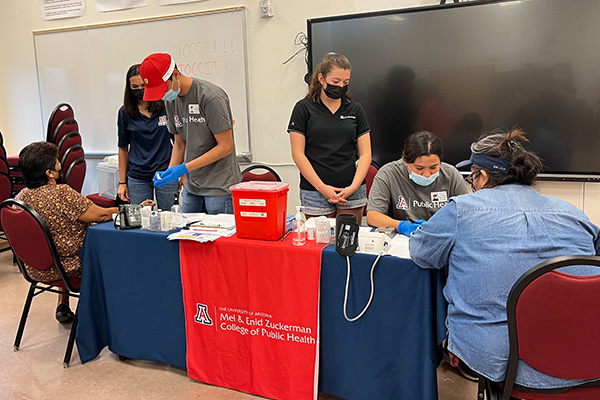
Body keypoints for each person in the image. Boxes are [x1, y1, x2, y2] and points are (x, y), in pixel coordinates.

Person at [409, 128, 600, 389]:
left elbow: (421, 252)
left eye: (471, 178)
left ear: (483, 177)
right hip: (585, 358)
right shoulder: (573, 213)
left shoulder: (462, 210)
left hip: (503, 363)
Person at [16, 142, 119, 323]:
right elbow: (101, 215)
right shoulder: (62, 194)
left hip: (35, 268)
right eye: (56, 161)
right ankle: (109, 317)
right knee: (114, 254)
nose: (60, 165)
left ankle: (62, 304)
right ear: (48, 173)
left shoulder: (21, 197)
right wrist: (130, 209)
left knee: (58, 243)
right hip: (70, 267)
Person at [139, 53, 241, 214]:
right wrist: (170, 171)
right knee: (185, 234)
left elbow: (226, 146)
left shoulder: (210, 97)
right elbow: (179, 143)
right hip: (192, 186)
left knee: (217, 236)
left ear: (175, 75)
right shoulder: (170, 100)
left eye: (163, 88)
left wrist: (184, 168)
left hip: (219, 187)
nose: (162, 95)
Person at [287, 52, 372, 224]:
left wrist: (353, 188)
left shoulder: (355, 110)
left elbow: (366, 154)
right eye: (335, 82)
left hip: (351, 190)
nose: (341, 86)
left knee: (348, 242)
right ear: (321, 78)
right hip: (315, 190)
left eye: (345, 83)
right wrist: (322, 188)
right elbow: (298, 154)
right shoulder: (303, 108)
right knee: (319, 246)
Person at [366, 130, 470, 236]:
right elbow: (373, 216)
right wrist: (402, 226)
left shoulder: (451, 175)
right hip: (402, 239)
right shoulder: (389, 174)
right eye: (419, 168)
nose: (427, 174)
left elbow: (467, 215)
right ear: (406, 162)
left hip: (442, 237)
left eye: (433, 167)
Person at [117, 63, 178, 210]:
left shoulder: (166, 107)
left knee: (169, 218)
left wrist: (181, 174)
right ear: (129, 89)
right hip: (138, 175)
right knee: (141, 220)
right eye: (135, 87)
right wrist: (122, 182)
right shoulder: (125, 113)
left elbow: (179, 142)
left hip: (166, 171)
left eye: (143, 86)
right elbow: (123, 148)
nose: (140, 90)